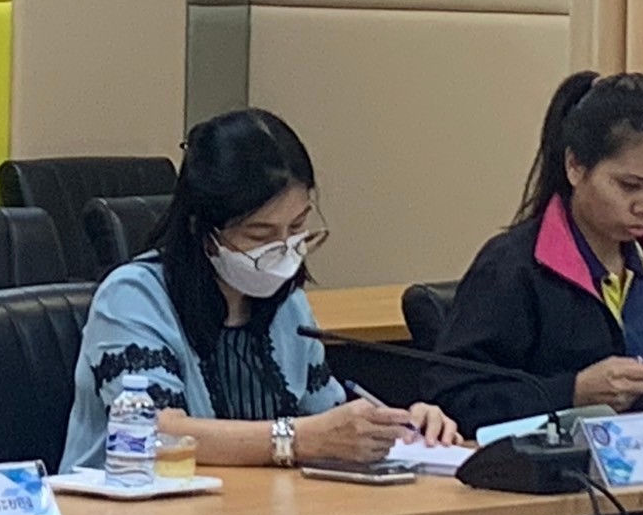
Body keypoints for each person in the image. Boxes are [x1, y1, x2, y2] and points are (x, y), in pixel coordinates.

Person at [61, 108, 459, 471]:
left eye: (297, 227)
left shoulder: (289, 306)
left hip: (257, 512)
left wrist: (396, 427)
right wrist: (298, 439)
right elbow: (157, 432)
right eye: (260, 235)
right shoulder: (132, 298)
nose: (284, 250)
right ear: (202, 229)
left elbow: (328, 421)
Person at [424, 71, 643, 435]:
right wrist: (572, 392)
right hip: (552, 468)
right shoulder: (513, 267)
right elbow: (454, 399)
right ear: (575, 167)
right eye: (629, 186)